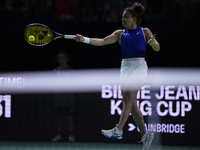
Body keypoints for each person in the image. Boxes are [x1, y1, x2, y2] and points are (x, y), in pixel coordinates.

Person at [74, 2, 160, 150]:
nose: (123, 20)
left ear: (134, 18)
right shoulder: (119, 34)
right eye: (122, 17)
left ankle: (118, 129)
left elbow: (157, 48)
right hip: (125, 68)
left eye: (125, 17)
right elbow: (102, 42)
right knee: (132, 104)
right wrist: (84, 39)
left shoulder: (145, 31)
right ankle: (145, 135)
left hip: (139, 66)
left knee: (127, 95)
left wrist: (152, 42)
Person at [51, 50, 76, 142]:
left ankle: (71, 135)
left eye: (63, 59)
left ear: (67, 60)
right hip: (58, 98)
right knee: (59, 118)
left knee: (69, 117)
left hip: (69, 99)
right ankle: (59, 135)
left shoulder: (71, 72)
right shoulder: (55, 71)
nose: (61, 60)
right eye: (60, 59)